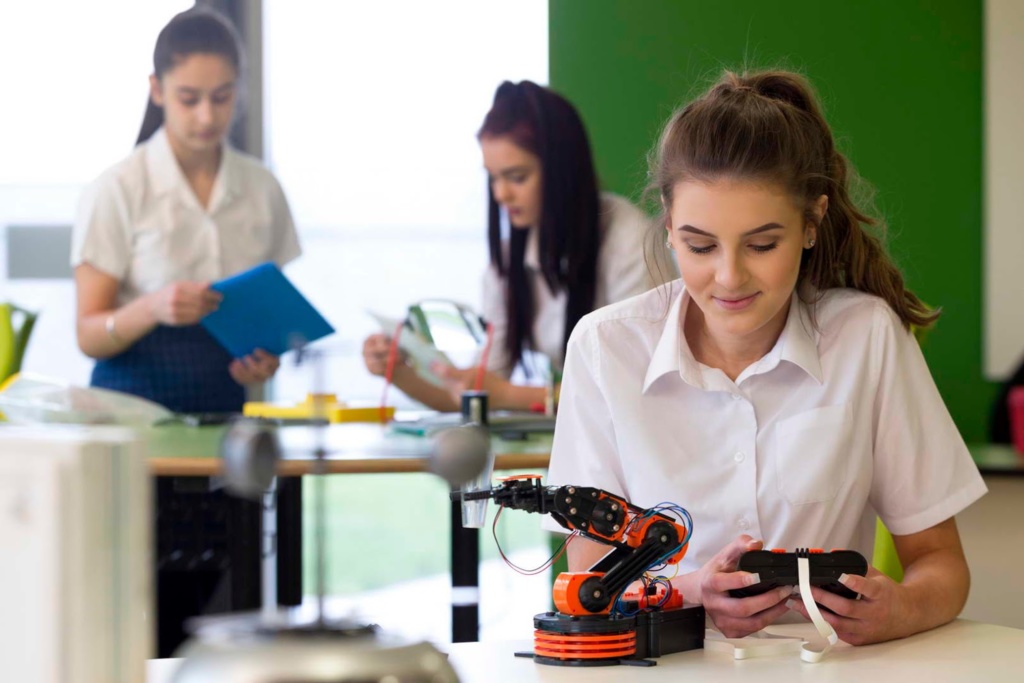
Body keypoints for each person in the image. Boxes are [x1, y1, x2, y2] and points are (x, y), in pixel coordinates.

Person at [545, 70, 987, 646]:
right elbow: (588, 577)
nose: (729, 276)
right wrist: (689, 591)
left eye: (762, 244)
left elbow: (941, 565)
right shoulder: (606, 348)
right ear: (669, 226)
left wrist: (900, 609)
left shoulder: (866, 337)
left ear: (811, 222)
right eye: (700, 245)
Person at [362, 80, 676, 411]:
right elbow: (480, 391)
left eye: (516, 177)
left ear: (562, 170)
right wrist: (398, 373)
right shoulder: (511, 258)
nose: (500, 195)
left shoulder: (629, 240)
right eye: (493, 178)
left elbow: (646, 389)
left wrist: (512, 396)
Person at [72, 7, 300, 414]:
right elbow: (88, 335)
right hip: (130, 416)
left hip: (226, 414)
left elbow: (268, 319)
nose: (207, 116)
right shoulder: (118, 188)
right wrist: (152, 307)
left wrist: (264, 360)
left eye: (222, 97)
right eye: (189, 99)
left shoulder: (262, 188)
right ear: (157, 90)